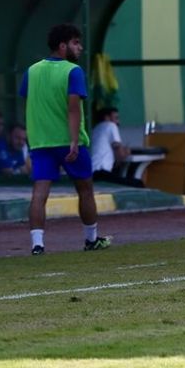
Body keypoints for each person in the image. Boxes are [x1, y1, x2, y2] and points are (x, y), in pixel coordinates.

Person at [22, 24, 112, 255]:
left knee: (39, 192)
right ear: (63, 46)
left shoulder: (31, 71)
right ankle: (91, 240)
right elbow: (74, 109)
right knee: (85, 189)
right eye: (75, 43)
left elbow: (28, 102)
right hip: (69, 142)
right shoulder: (73, 71)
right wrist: (74, 140)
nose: (80, 48)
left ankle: (37, 245)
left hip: (41, 142)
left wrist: (29, 140)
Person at [90, 107, 136, 186]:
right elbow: (120, 155)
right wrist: (127, 152)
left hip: (90, 174)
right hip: (101, 173)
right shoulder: (110, 125)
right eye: (116, 118)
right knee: (137, 184)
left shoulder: (95, 129)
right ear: (107, 117)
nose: (118, 122)